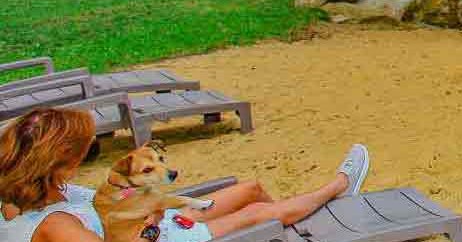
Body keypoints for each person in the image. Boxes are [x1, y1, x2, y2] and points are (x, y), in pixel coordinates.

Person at [0, 108, 370, 242]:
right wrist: (150, 223)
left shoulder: (27, 193)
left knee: (251, 189)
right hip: (163, 236)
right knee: (256, 214)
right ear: (60, 162)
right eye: (85, 150)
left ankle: (275, 233)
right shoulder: (57, 226)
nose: (87, 154)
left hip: (160, 224)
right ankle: (340, 185)